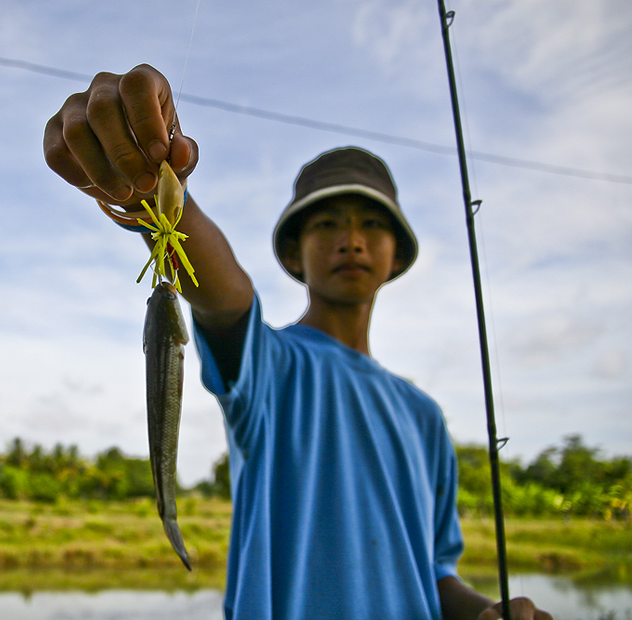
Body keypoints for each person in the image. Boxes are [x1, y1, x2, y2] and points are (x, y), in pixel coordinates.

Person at [44, 64, 552, 620]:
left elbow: (434, 574)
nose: (351, 241)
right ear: (294, 253)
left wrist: (487, 611)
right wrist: (153, 194)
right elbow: (224, 294)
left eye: (371, 226)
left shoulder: (424, 416)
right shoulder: (269, 366)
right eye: (327, 224)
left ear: (396, 255)